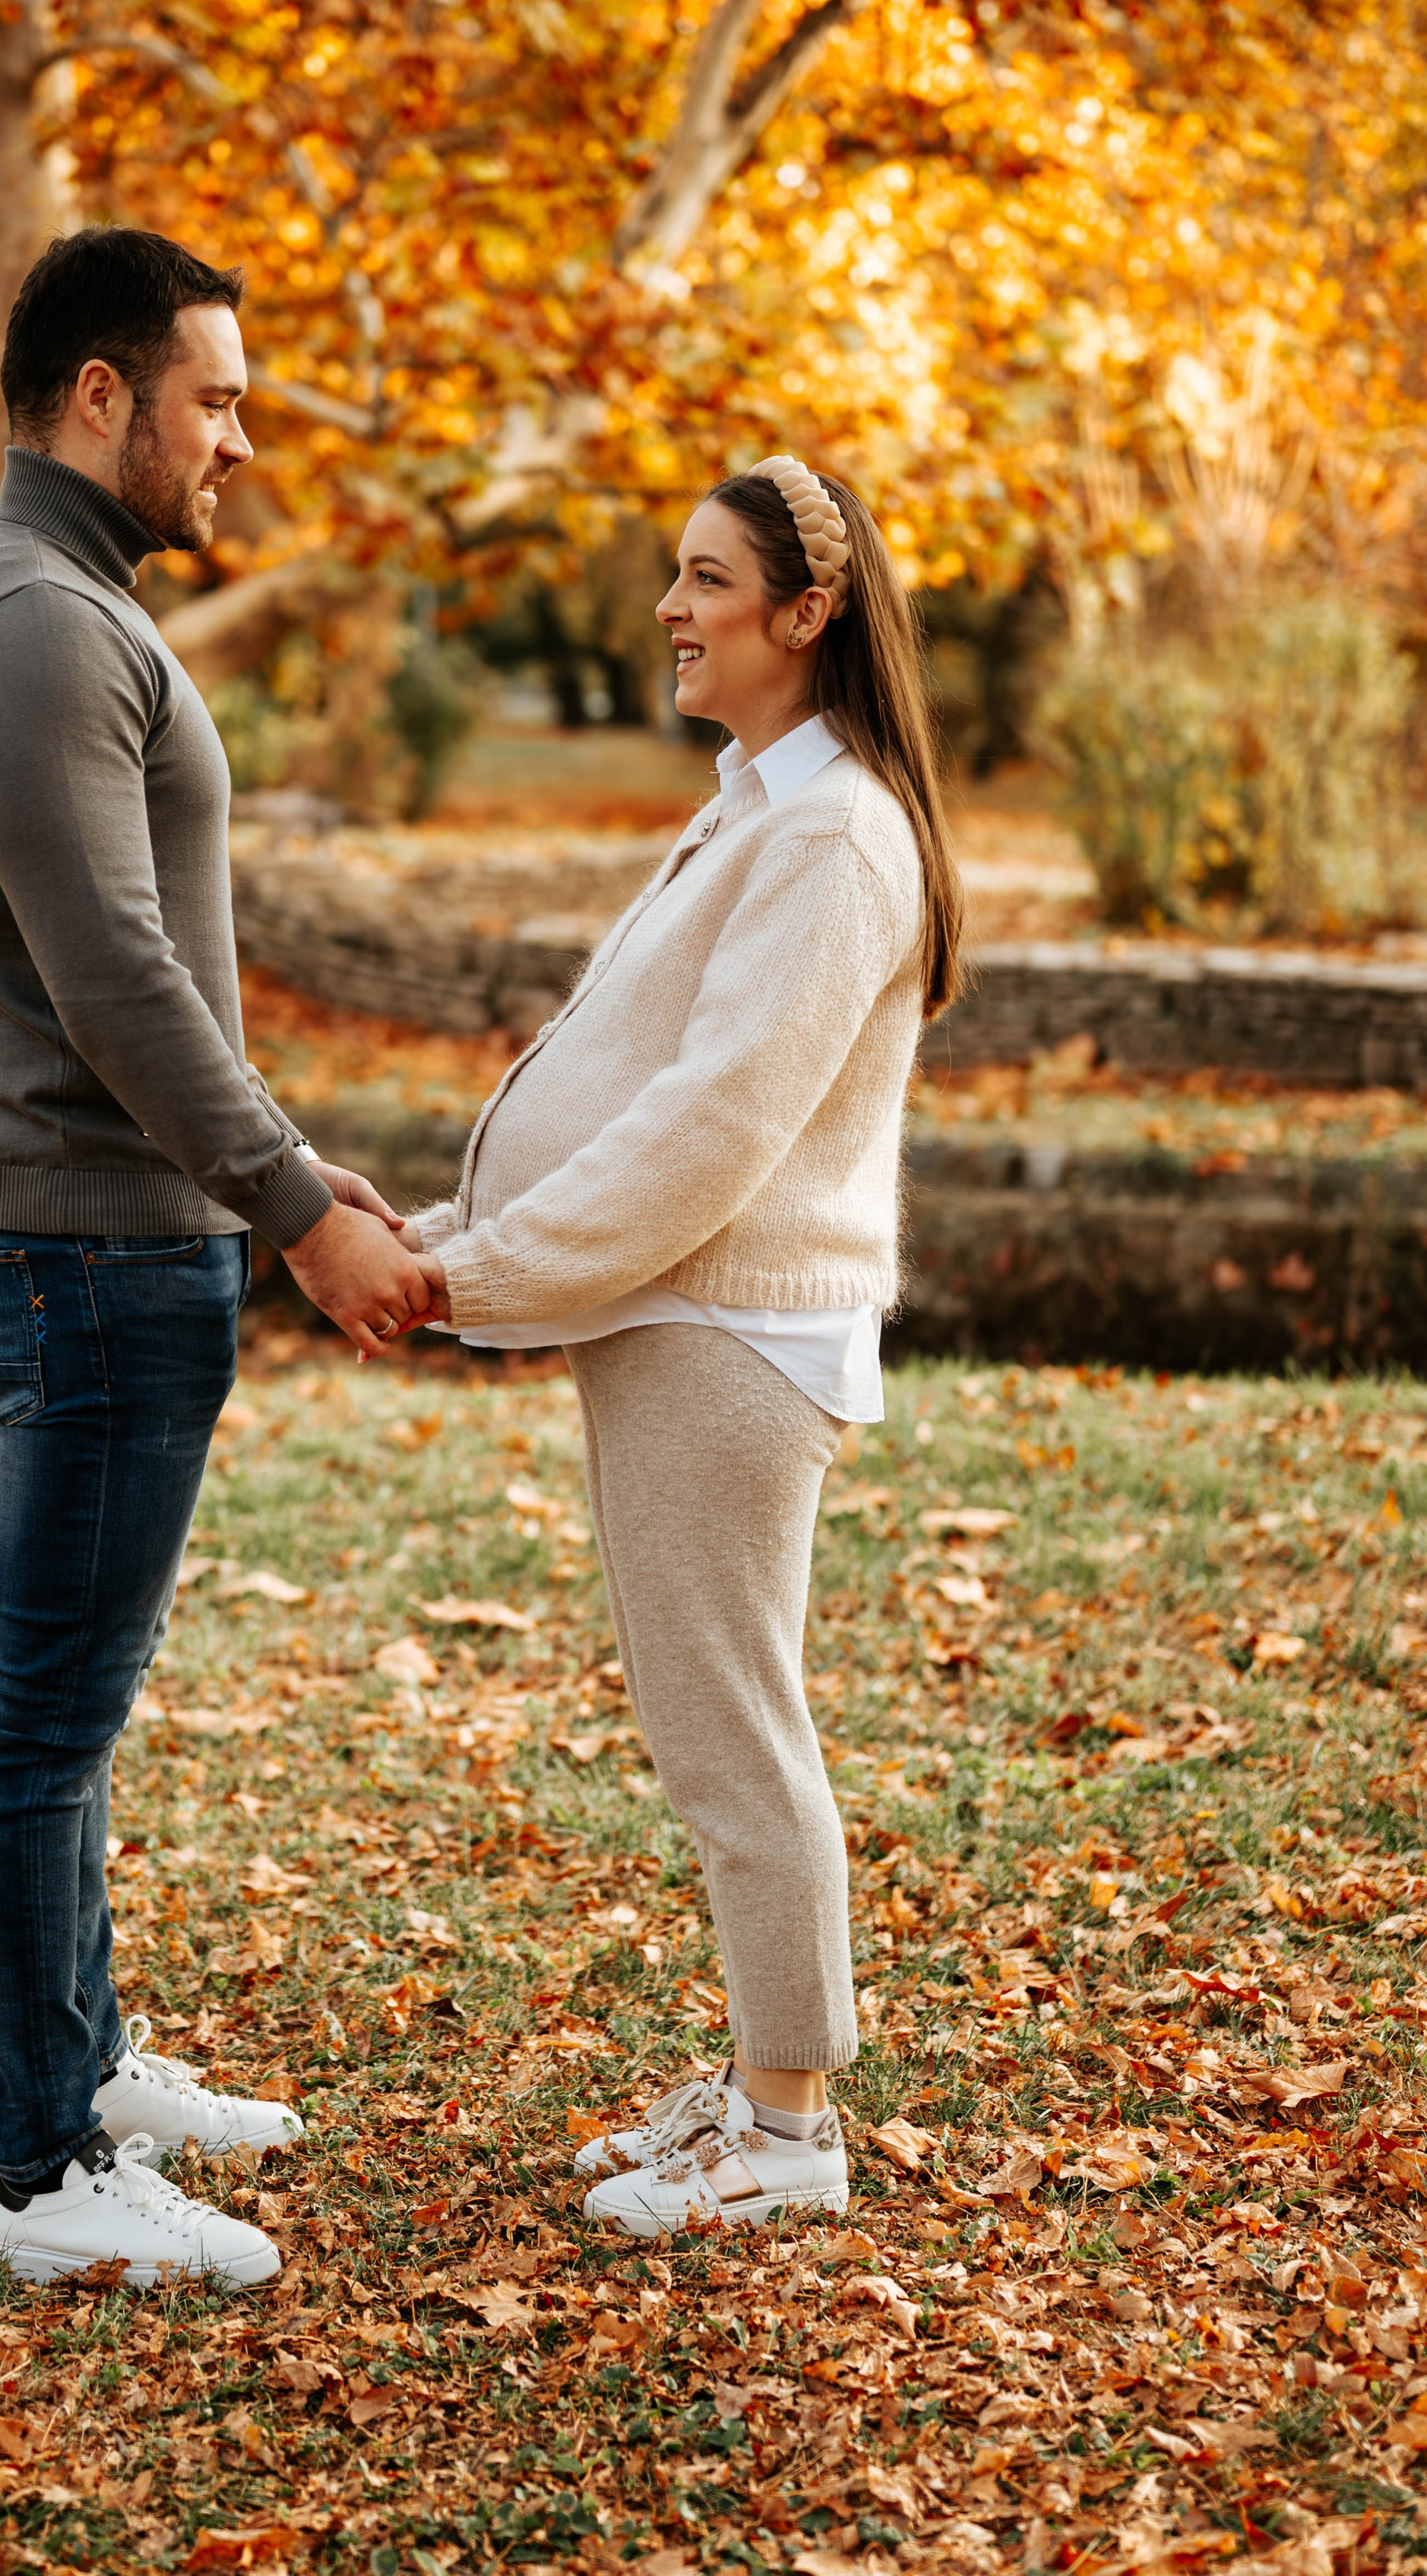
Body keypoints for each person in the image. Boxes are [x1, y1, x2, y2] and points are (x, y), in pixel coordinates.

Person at [0, 226, 432, 2289]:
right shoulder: (32, 620)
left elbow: (143, 963)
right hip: (90, 1249)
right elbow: (110, 975)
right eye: (211, 396)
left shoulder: (60, 603)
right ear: (97, 396)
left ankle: (87, 2069)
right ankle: (45, 2178)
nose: (241, 436)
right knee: (43, 1713)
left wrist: (283, 1168)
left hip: (118, 1238)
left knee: (74, 1705)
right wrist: (291, 1202)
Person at [407, 457, 963, 2236]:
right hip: (677, 1317)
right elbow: (634, 1070)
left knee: (733, 1731)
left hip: (729, 1329)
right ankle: (754, 2084)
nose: (669, 608)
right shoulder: (759, 804)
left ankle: (789, 2136)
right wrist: (456, 1243)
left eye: (706, 581)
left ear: (803, 615)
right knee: (703, 1715)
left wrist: (483, 1277)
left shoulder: (831, 833)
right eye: (674, 574)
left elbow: (715, 1122)